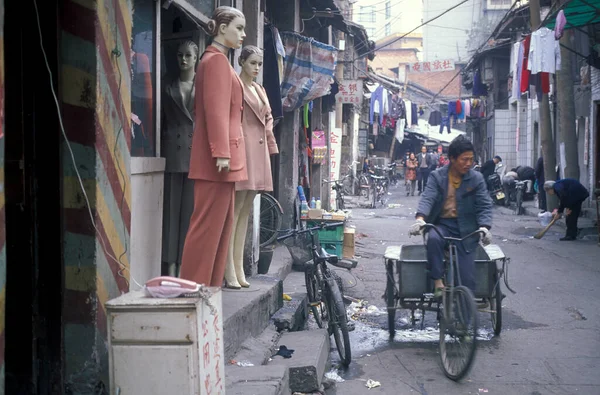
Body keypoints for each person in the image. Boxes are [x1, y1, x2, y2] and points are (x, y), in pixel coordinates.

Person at [409, 136, 493, 296]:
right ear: (452, 158)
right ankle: (438, 282)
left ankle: (466, 316)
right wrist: (420, 219)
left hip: (468, 230)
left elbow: (484, 204)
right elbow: (428, 197)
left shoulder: (476, 178)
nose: (468, 163)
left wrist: (485, 227)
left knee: (468, 282)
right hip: (442, 226)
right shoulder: (437, 176)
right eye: (464, 159)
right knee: (433, 239)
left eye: (471, 160)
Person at [224, 46, 279, 289]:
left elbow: (268, 118)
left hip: (257, 151)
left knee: (246, 211)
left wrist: (270, 144)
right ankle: (229, 270)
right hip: (242, 150)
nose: (256, 68)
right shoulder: (234, 85)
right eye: (252, 63)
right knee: (234, 212)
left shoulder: (260, 89)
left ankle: (239, 269)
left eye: (259, 63)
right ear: (241, 62)